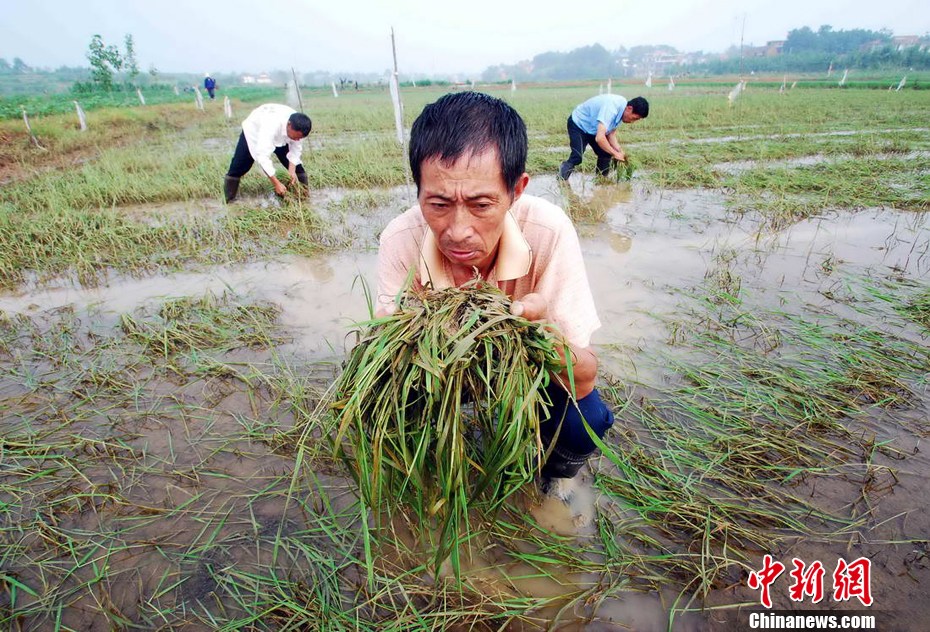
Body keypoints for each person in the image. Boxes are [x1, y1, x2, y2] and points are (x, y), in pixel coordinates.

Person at [376, 91, 614, 495]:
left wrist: (541, 334)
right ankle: (429, 479)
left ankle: (549, 480)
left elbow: (584, 379)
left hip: (526, 373)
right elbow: (387, 365)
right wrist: (405, 343)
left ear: (516, 190)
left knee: (584, 419)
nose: (458, 231)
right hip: (440, 373)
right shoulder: (401, 239)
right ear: (418, 191)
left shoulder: (547, 231)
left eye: (481, 204)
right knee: (387, 410)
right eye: (438, 204)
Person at [223, 103, 312, 203]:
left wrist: (291, 172)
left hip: (282, 135)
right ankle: (229, 200)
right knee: (239, 166)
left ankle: (304, 197)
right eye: (296, 137)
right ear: (289, 124)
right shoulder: (270, 126)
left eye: (300, 138)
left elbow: (295, 150)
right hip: (255, 132)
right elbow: (263, 156)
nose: (298, 140)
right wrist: (276, 183)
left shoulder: (300, 127)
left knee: (298, 168)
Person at [558, 94, 649, 181]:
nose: (632, 122)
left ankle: (601, 180)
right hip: (579, 124)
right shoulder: (611, 108)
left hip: (594, 128)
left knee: (605, 153)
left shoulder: (622, 111)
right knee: (577, 156)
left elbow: (611, 134)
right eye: (634, 118)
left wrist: (619, 150)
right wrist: (615, 154)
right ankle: (561, 180)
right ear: (629, 108)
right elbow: (600, 138)